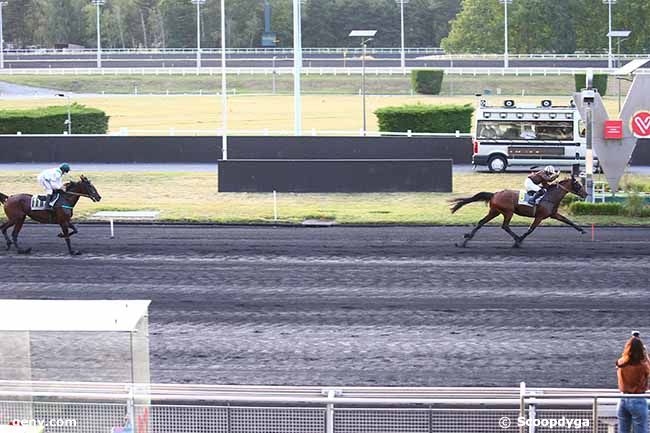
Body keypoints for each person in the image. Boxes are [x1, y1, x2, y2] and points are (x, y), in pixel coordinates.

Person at [616, 332, 650, 433]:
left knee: (623, 430)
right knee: (641, 430)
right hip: (638, 399)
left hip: (622, 399)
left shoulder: (621, 363)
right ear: (641, 351)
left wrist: (632, 341)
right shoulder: (642, 366)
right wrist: (646, 354)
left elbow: (621, 361)